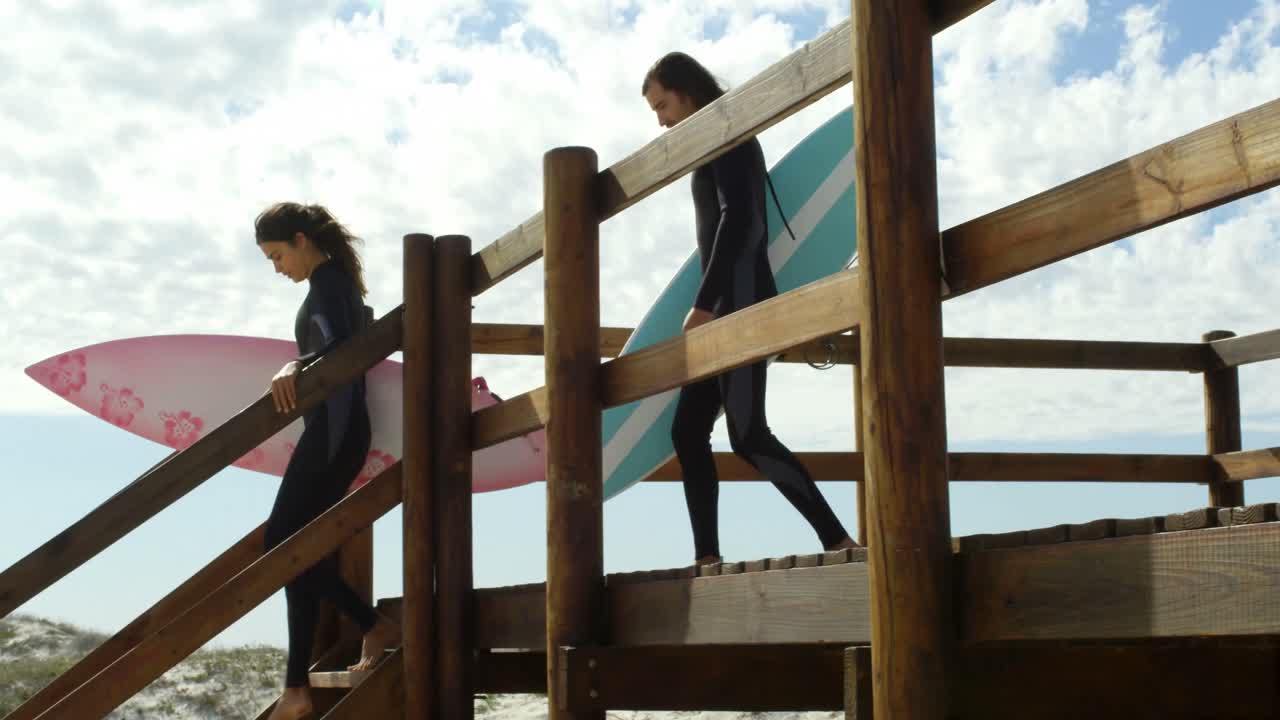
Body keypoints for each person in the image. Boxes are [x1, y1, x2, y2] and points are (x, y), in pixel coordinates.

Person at [641, 52, 859, 566]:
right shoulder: (713, 140)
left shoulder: (731, 131)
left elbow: (741, 222)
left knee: (748, 433)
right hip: (725, 302)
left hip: (739, 301)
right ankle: (708, 559)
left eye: (663, 104)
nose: (661, 120)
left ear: (687, 91)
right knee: (688, 431)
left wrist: (706, 303)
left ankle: (838, 541)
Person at [255, 202, 399, 720]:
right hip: (332, 432)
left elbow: (344, 351)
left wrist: (295, 363)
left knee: (284, 544)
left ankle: (363, 628)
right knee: (299, 550)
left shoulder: (331, 282)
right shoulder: (329, 284)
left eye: (277, 255)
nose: (277, 268)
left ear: (300, 239)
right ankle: (298, 686)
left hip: (336, 433)